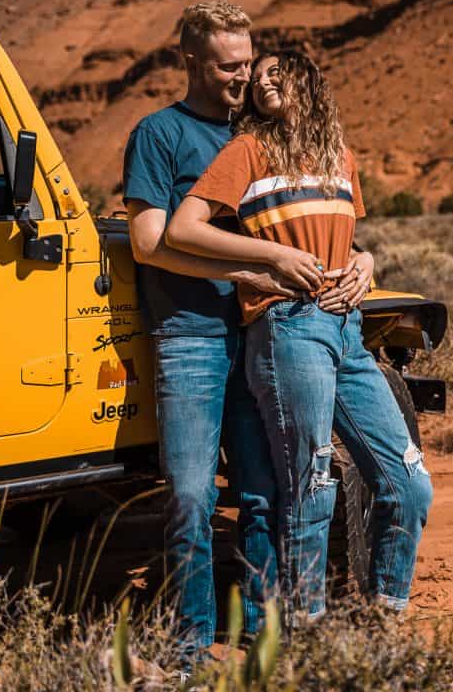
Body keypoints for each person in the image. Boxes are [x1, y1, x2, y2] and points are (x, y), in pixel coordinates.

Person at [122, 4, 366, 659]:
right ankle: (191, 643)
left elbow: (321, 216)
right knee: (192, 497)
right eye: (229, 67)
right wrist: (260, 263)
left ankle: (263, 631)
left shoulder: (261, 134)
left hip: (264, 339)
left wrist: (363, 259)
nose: (241, 78)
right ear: (192, 62)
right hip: (191, 338)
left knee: (264, 493)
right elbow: (149, 244)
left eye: (246, 63)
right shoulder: (158, 133)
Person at [167, 49, 433, 620]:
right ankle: (306, 638)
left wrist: (367, 263)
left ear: (307, 80)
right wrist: (271, 257)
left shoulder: (340, 157)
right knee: (311, 487)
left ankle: (385, 619)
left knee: (410, 484)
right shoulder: (247, 151)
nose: (262, 81)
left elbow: (341, 238)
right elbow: (183, 228)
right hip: (287, 325)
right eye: (256, 76)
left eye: (274, 73)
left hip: (348, 329)